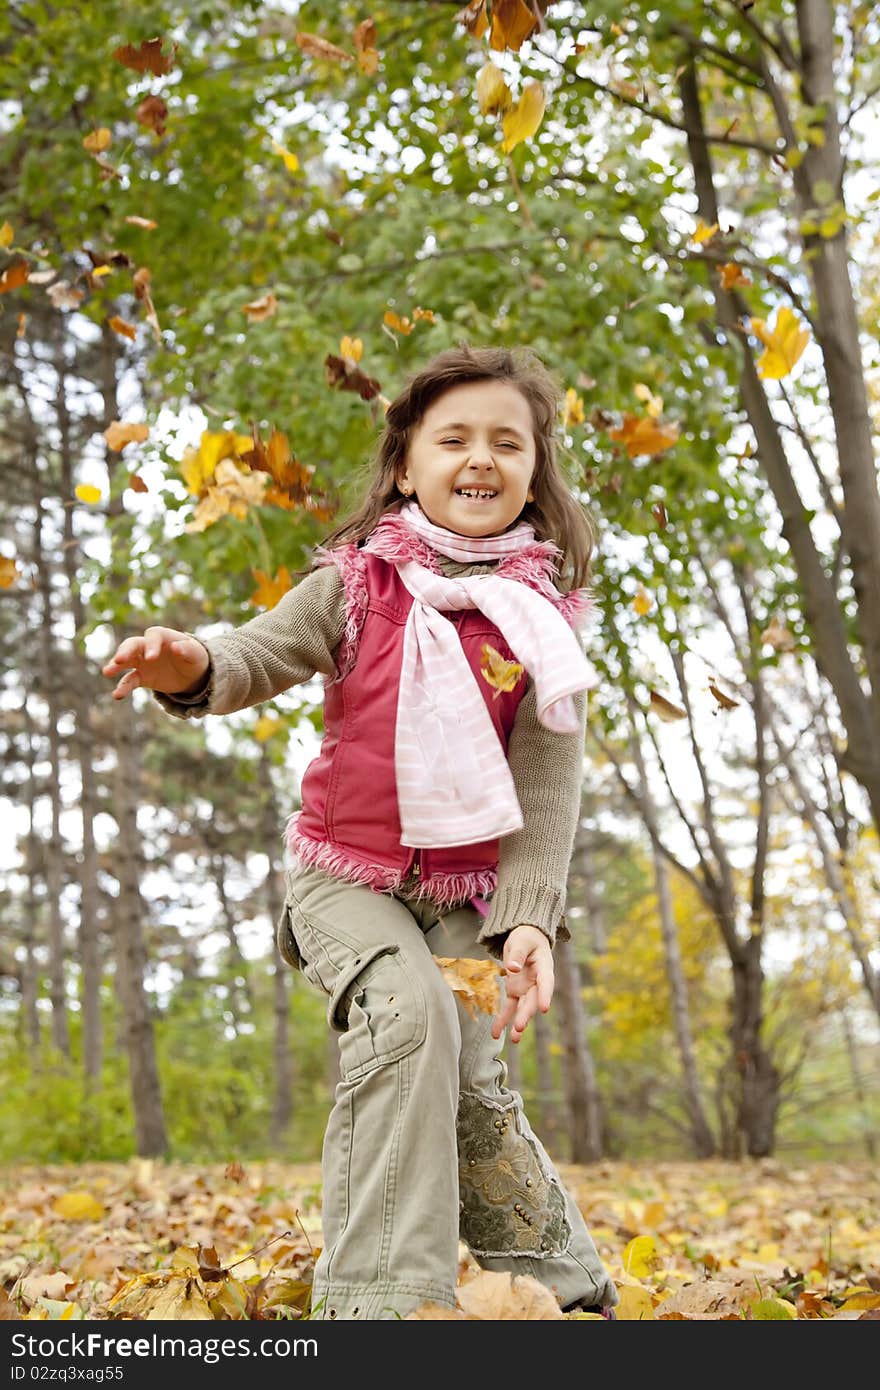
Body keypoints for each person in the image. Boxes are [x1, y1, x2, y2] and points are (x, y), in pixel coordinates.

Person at [102, 344, 618, 1322]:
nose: (480, 458)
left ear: (534, 472)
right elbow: (262, 649)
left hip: (467, 901)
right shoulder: (355, 585)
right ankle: (381, 1301)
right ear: (405, 465)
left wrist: (528, 924)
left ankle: (564, 1285)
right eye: (454, 438)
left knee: (471, 1083)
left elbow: (546, 792)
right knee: (406, 1013)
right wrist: (190, 661)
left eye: (507, 442)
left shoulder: (540, 623)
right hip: (347, 882)